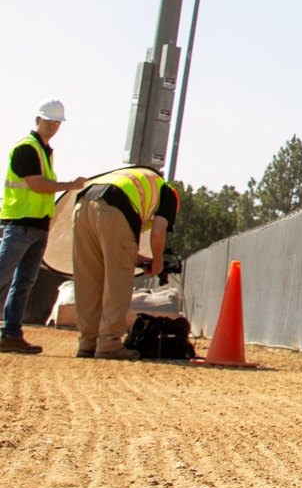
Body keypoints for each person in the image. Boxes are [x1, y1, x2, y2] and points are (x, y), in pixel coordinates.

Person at [0, 99, 88, 354]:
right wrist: (70, 185)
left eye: (56, 124)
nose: (52, 127)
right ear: (37, 120)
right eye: (49, 122)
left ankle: (11, 335)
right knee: (4, 276)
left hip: (37, 226)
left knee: (24, 281)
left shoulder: (44, 150)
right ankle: (11, 333)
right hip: (19, 225)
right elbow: (37, 185)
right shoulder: (27, 149)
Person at [71, 167, 178, 360]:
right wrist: (158, 260)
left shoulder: (135, 180)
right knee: (117, 283)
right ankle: (109, 344)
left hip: (82, 206)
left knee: (88, 280)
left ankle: (88, 343)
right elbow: (158, 232)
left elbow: (113, 242)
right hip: (114, 209)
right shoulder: (168, 192)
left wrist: (135, 257)